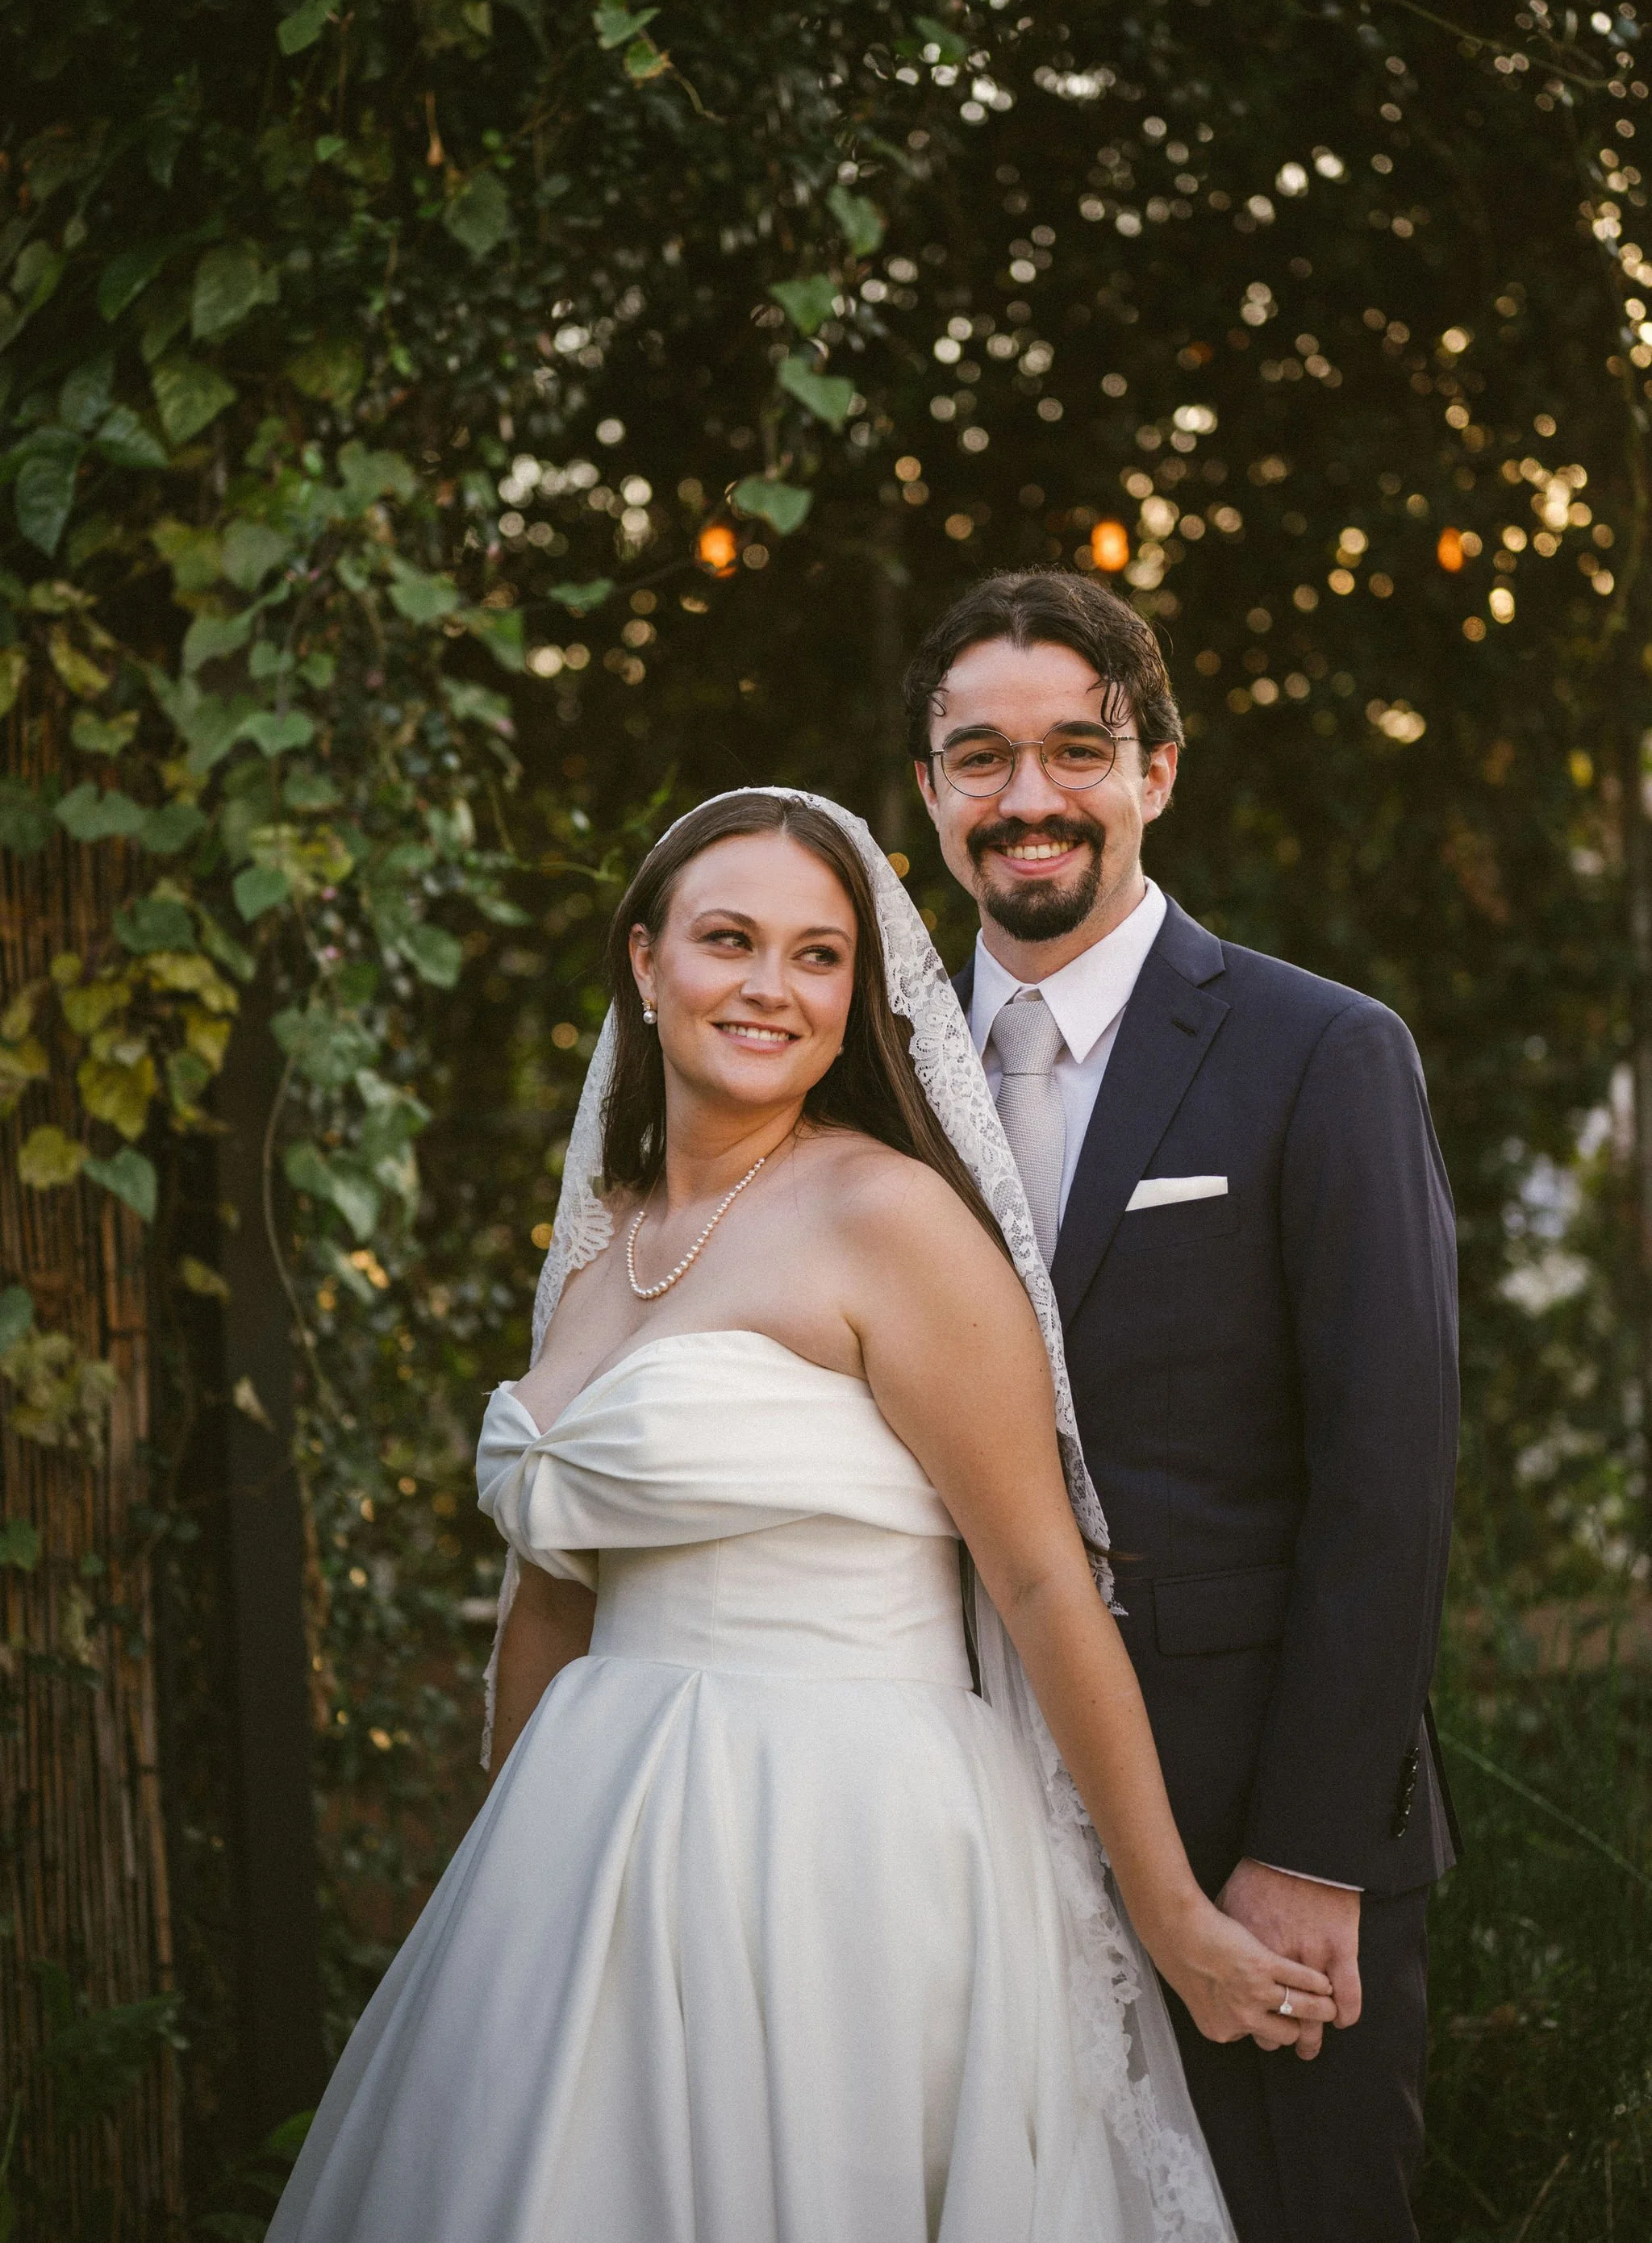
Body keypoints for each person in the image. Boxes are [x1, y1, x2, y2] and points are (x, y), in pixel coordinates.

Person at [269, 788, 1339, 2243]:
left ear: (862, 994)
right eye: (729, 940)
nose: (771, 986)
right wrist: (507, 1883)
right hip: (589, 1856)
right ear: (645, 965)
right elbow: (555, 1595)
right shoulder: (598, 1249)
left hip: (842, 1843)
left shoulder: (886, 1220)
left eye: (818, 955)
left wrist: (1169, 1916)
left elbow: (1038, 1579)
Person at [906, 569, 1461, 2243]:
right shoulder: (876, 1080)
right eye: (979, 757)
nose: (1027, 799)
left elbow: (1392, 1478)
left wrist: (1312, 1847)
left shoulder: (1319, 1052)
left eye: (1077, 749)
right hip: (955, 1816)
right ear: (927, 796)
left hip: (1249, 1832)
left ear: (1156, 771)